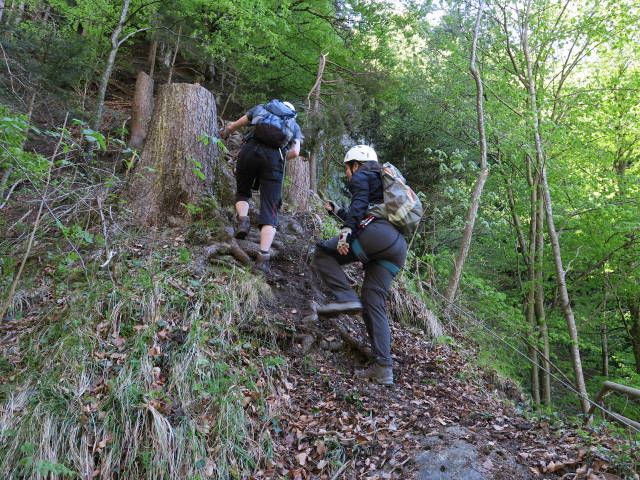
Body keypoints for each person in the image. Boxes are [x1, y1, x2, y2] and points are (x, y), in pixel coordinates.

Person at [315, 145, 407, 386]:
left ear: (356, 164)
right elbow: (364, 212)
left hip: (377, 234)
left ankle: (345, 298)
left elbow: (360, 205)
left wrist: (345, 232)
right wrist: (337, 212)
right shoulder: (383, 179)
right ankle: (383, 368)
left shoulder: (362, 174)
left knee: (323, 253)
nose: (347, 174)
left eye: (347, 168)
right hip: (396, 245)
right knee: (372, 301)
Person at [220, 100, 302, 274]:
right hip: (274, 160)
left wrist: (225, 132)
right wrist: (279, 157)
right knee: (270, 207)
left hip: (249, 151)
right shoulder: (293, 124)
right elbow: (295, 152)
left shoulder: (261, 109)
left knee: (243, 191)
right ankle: (262, 259)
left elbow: (234, 126)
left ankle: (243, 221)